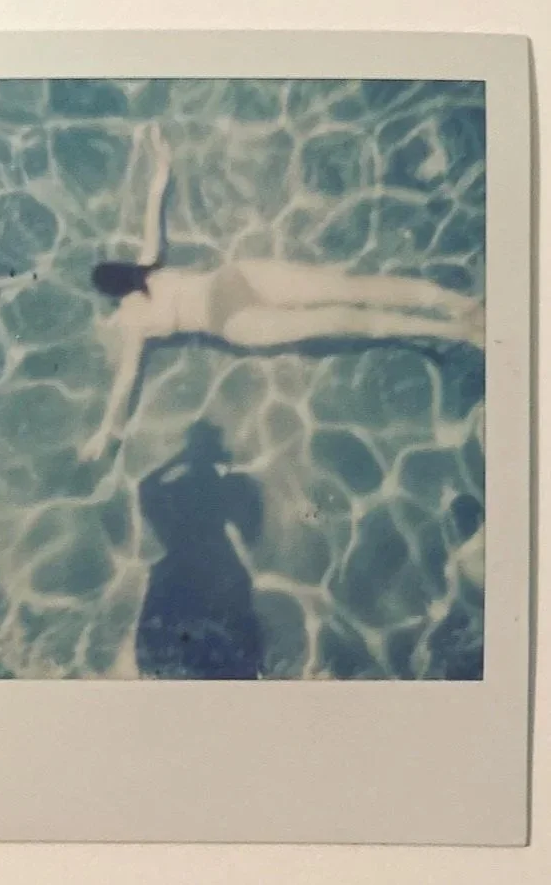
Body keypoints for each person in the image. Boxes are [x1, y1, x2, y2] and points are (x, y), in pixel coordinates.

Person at [82, 123, 484, 461]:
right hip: (236, 281)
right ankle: (458, 305)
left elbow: (125, 380)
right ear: (121, 270)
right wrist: (161, 159)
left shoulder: (133, 320)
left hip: (232, 318)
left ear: (110, 296)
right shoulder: (147, 265)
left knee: (345, 319)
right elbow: (154, 202)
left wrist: (105, 431)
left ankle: (458, 329)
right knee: (350, 291)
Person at [135, 421, 264, 679]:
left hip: (179, 563)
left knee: (170, 647)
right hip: (220, 562)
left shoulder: (176, 489)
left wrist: (177, 460)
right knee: (235, 642)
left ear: (190, 453)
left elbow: (145, 489)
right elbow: (252, 534)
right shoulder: (232, 486)